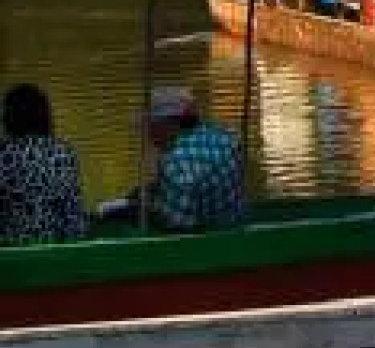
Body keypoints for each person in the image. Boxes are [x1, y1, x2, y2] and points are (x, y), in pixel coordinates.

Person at [99, 88, 246, 232]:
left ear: (168, 123)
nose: (147, 133)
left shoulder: (176, 162)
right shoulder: (224, 138)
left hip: (208, 238)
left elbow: (177, 224)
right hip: (234, 224)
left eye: (150, 125)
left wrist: (133, 211)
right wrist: (152, 191)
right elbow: (199, 182)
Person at [0, 84, 87, 245]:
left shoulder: (4, 155)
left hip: (11, 251)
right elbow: (72, 212)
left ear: (9, 116)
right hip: (55, 249)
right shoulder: (62, 153)